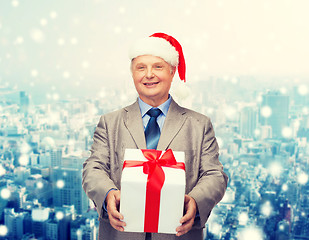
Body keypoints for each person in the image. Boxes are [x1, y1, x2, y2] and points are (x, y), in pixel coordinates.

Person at [82, 33, 228, 240]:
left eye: (158, 67)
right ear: (132, 73)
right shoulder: (110, 122)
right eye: (141, 67)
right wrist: (108, 194)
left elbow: (215, 175)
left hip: (179, 233)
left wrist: (195, 200)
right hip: (121, 232)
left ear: (172, 71)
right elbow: (93, 167)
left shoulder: (199, 125)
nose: (149, 74)